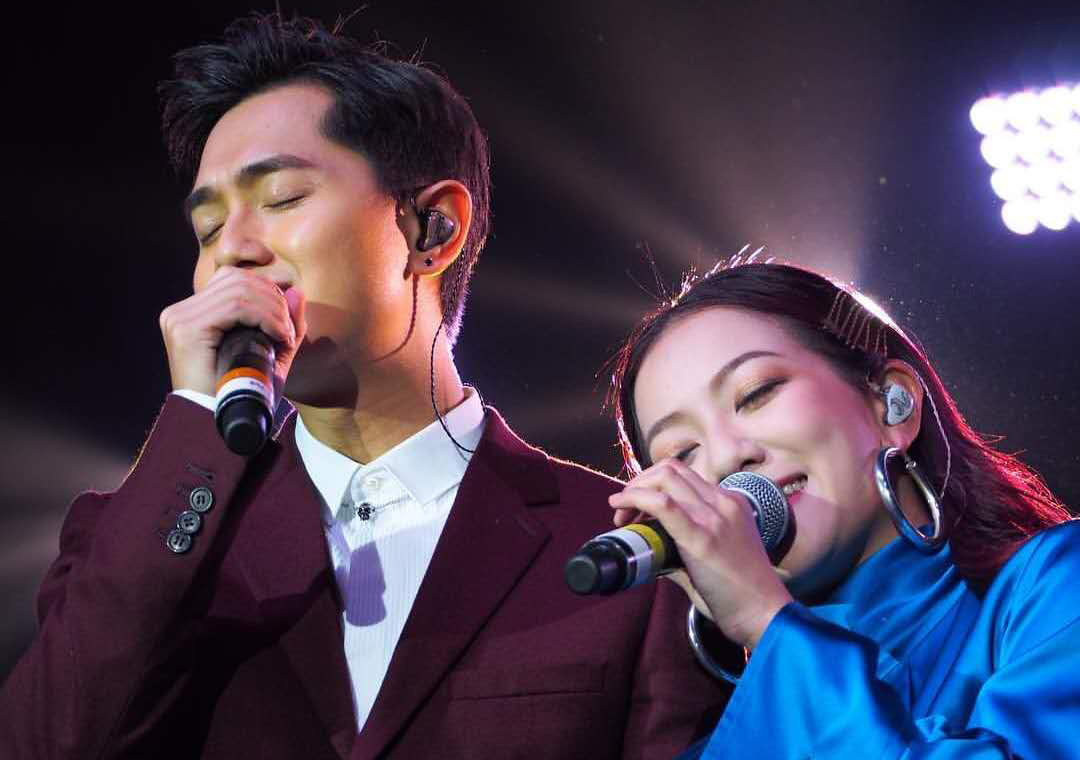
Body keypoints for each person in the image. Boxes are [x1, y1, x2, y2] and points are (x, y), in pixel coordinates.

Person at [0, 14, 728, 759]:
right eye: (208, 230)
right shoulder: (144, 536)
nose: (232, 253)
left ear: (432, 229)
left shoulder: (626, 544)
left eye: (281, 198)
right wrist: (194, 417)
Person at [607, 255, 1080, 759]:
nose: (725, 458)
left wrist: (767, 620)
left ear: (892, 402)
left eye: (756, 393)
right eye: (681, 453)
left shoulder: (1054, 587)